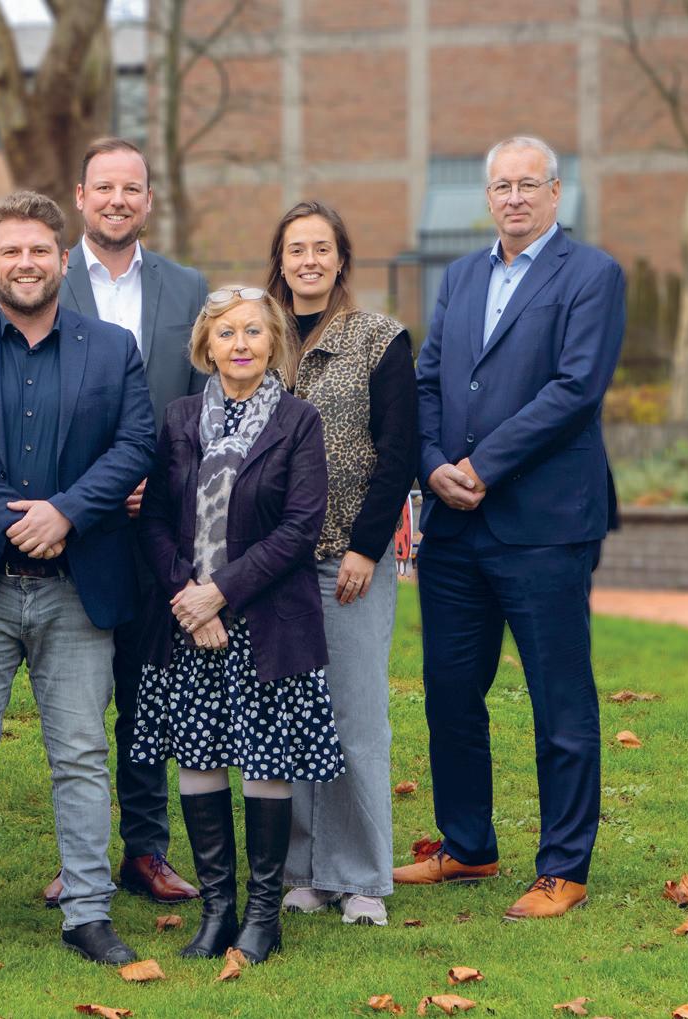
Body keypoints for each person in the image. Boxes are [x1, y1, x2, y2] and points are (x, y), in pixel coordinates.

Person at [0, 191, 155, 970]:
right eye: (11, 250)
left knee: (80, 751)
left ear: (62, 259)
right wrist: (13, 518)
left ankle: (88, 913)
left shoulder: (111, 348)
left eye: (40, 249)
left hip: (79, 583)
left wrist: (67, 513)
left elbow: (135, 443)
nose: (26, 262)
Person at [399, 136, 625, 921]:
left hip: (544, 524)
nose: (516, 197)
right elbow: (429, 381)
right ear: (488, 197)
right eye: (503, 186)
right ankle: (467, 844)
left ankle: (564, 866)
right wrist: (433, 466)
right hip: (454, 526)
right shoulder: (462, 276)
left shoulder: (592, 275)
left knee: (559, 698)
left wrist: (482, 465)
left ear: (556, 193)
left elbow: (575, 388)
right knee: (451, 692)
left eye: (530, 184)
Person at [129, 286, 343, 963]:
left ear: (274, 342)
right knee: (199, 753)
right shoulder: (179, 417)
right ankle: (218, 910)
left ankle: (262, 915)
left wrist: (219, 593)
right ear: (206, 345)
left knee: (265, 757)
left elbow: (300, 527)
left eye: (253, 330)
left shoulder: (299, 421)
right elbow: (154, 519)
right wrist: (188, 598)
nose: (240, 343)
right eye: (226, 332)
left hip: (266, 621)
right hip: (188, 620)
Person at [52, 136, 207, 906]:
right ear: (81, 197)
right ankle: (77, 854)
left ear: (149, 200)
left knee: (148, 694)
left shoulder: (187, 288)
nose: (118, 199)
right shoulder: (45, 281)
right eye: (104, 187)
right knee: (73, 705)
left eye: (131, 188)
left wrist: (168, 486)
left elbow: (205, 405)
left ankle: (146, 848)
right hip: (72, 529)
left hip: (158, 529)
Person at [264, 201, 418, 928]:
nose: (309, 261)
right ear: (281, 259)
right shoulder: (259, 337)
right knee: (295, 715)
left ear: (341, 259)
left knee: (354, 717)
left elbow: (399, 451)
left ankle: (360, 877)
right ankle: (306, 870)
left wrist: (365, 546)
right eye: (297, 249)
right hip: (274, 565)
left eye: (321, 248)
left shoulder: (378, 339)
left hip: (346, 559)